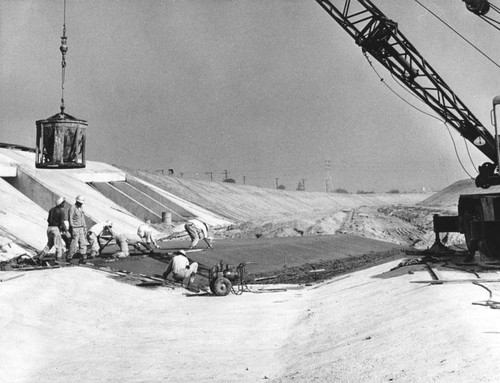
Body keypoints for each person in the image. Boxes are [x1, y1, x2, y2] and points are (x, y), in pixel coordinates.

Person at [38, 196, 68, 264]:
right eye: (64, 203)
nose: (64, 204)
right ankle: (59, 261)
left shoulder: (51, 210)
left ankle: (40, 257)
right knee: (59, 246)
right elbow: (62, 222)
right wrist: (66, 231)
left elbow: (48, 220)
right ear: (61, 203)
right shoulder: (61, 211)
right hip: (55, 229)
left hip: (49, 229)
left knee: (49, 244)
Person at [68, 194, 88, 263]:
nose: (81, 204)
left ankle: (83, 257)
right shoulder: (72, 208)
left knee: (83, 242)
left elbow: (83, 218)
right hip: (75, 228)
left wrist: (85, 227)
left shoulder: (81, 208)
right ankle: (70, 256)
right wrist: (72, 227)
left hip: (81, 227)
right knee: (74, 243)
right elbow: (70, 218)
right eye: (80, 203)